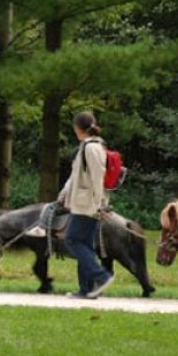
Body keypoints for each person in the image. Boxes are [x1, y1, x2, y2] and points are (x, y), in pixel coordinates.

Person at [59, 111, 114, 299]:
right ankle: (87, 289)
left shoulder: (91, 148)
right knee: (85, 245)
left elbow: (98, 176)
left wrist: (100, 204)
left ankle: (102, 276)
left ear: (77, 128)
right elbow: (77, 175)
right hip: (85, 202)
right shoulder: (88, 146)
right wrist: (64, 193)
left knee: (72, 240)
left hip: (88, 204)